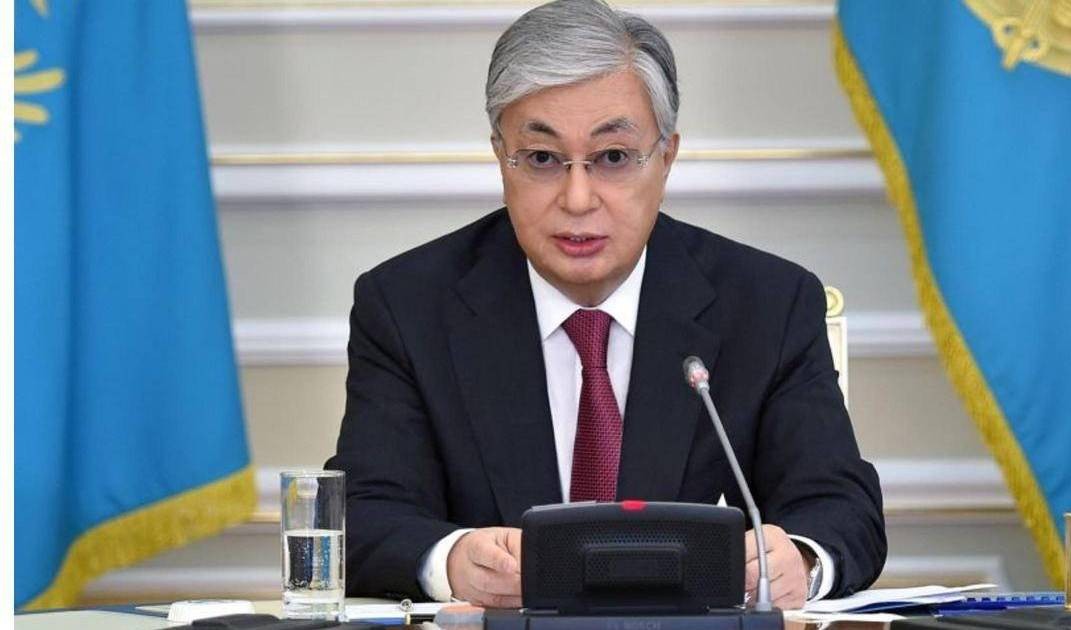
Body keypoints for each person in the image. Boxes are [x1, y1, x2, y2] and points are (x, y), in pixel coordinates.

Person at [326, 0, 885, 610]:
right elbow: (364, 513)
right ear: (501, 157)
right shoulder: (407, 306)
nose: (577, 198)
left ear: (665, 158)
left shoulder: (767, 304)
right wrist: (451, 560)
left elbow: (840, 507)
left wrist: (800, 558)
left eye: (613, 157)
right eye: (542, 159)